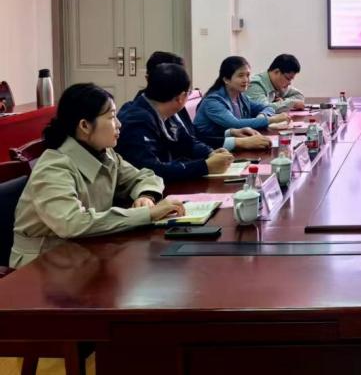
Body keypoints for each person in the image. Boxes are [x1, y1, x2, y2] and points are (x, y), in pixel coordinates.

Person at [10, 83, 184, 267]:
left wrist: (146, 196)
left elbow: (145, 176)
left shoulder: (104, 153)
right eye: (111, 117)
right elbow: (72, 223)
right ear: (85, 125)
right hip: (40, 265)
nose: (119, 124)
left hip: (82, 253)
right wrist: (146, 214)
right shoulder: (54, 168)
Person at [117, 63, 235, 182]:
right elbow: (152, 171)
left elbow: (186, 142)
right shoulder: (136, 121)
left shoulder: (165, 110)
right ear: (181, 97)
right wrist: (205, 167)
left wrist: (210, 153)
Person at [145, 51, 270, 152]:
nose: (246, 80)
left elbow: (192, 137)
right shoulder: (143, 115)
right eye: (241, 75)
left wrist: (229, 133)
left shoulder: (175, 105)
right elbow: (164, 160)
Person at [194, 56, 289, 147]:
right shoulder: (213, 101)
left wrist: (262, 116)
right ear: (226, 79)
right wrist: (271, 119)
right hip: (209, 149)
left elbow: (267, 107)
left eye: (248, 75)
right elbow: (235, 124)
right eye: (240, 76)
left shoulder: (240, 96)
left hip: (231, 144)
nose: (246, 80)